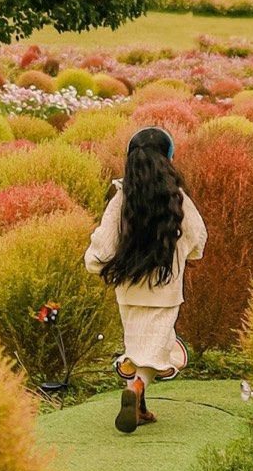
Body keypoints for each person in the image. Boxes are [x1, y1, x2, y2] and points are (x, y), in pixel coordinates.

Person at [83, 125, 208, 435]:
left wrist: (99, 266)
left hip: (129, 288)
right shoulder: (175, 197)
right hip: (164, 289)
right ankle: (137, 386)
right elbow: (198, 238)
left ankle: (137, 405)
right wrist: (183, 256)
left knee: (139, 343)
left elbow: (104, 243)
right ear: (167, 159)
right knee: (157, 348)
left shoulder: (122, 197)